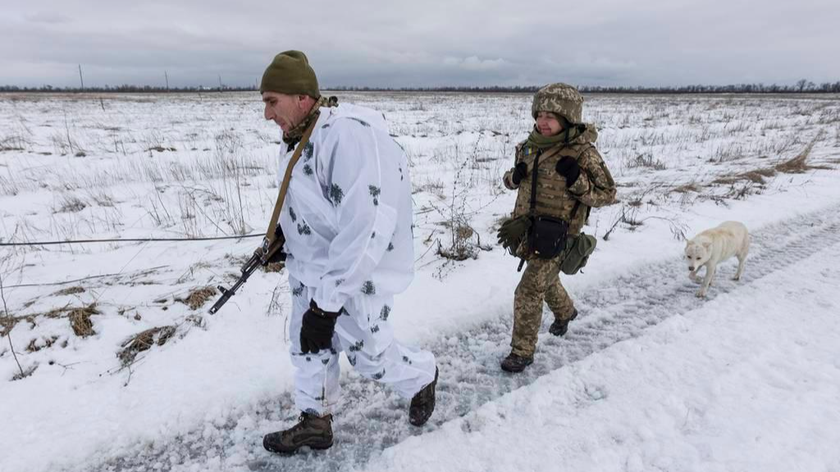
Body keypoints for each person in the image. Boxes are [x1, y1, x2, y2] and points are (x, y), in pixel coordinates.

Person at [258, 50, 438, 454]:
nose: (267, 114)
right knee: (306, 345)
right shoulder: (298, 137)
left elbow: (366, 226)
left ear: (302, 97)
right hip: (310, 270)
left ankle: (422, 375)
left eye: (272, 101)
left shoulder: (348, 138)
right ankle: (315, 420)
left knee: (369, 356)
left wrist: (328, 304)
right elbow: (314, 203)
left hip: (353, 275)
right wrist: (286, 238)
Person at [497, 83, 616, 373]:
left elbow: (607, 194)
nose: (542, 122)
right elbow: (510, 182)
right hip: (527, 230)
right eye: (539, 115)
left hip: (559, 235)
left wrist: (577, 179)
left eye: (550, 116)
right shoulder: (528, 147)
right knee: (545, 280)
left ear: (567, 118)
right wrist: (514, 176)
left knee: (528, 290)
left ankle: (522, 352)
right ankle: (566, 311)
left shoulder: (582, 153)